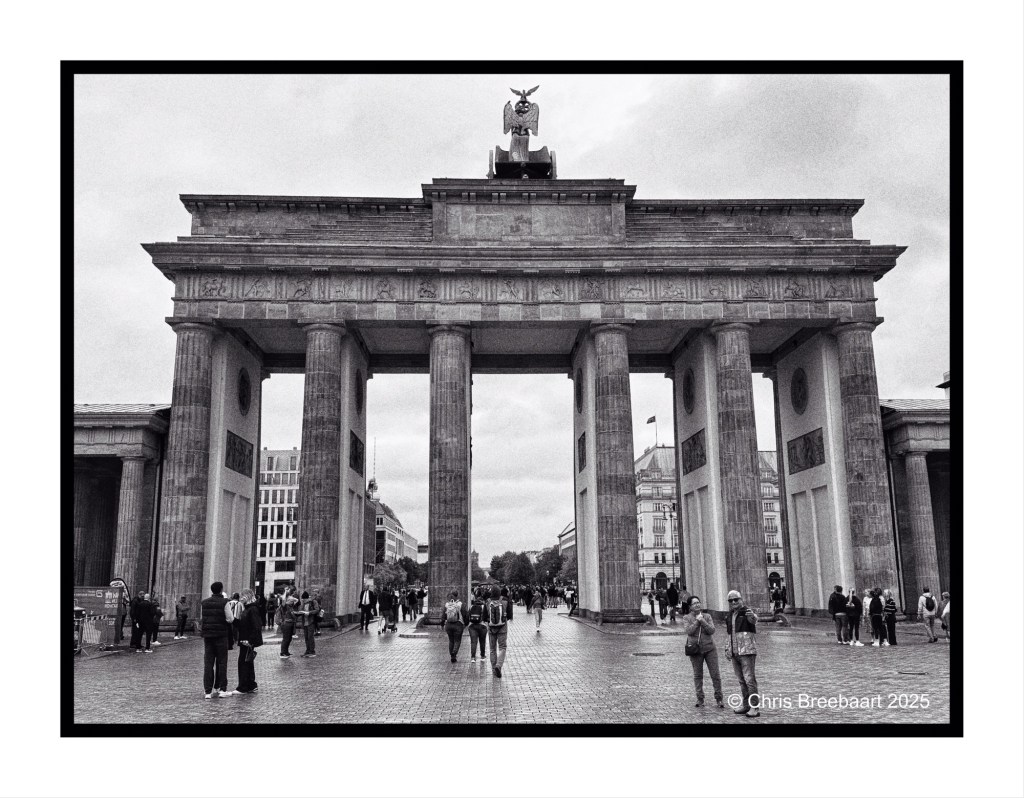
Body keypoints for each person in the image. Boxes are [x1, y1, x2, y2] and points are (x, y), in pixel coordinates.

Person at [680, 596, 724, 708]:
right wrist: (697, 621)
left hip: (710, 649)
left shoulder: (707, 616)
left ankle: (719, 698)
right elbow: (689, 631)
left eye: (698, 602)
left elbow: (712, 630)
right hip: (695, 650)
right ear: (690, 606)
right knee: (698, 675)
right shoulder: (686, 617)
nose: (697, 605)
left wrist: (702, 620)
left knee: (715, 674)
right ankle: (700, 699)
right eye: (694, 603)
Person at [724, 589, 760, 718]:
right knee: (741, 681)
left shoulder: (747, 612)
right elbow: (729, 634)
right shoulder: (729, 615)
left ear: (741, 599)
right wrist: (727, 649)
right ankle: (746, 705)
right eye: (731, 600)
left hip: (747, 651)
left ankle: (755, 707)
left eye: (736, 599)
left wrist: (753, 617)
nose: (733, 602)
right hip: (735, 652)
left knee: (749, 680)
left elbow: (754, 620)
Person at [200, 581, 234, 699]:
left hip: (208, 636)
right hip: (221, 635)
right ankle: (221, 689)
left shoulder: (204, 603)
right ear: (221, 590)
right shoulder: (225, 602)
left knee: (208, 663)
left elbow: (203, 618)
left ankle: (207, 691)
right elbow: (230, 619)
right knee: (222, 662)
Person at [225, 589, 263, 695]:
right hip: (245, 638)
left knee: (243, 662)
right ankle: (251, 685)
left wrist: (250, 640)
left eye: (243, 596)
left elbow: (256, 626)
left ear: (247, 596)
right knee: (248, 662)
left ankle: (243, 687)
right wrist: (234, 620)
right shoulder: (248, 608)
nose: (241, 598)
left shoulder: (252, 609)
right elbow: (244, 624)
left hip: (247, 640)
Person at [486, 585, 513, 678]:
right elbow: (510, 615)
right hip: (502, 628)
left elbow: (484, 616)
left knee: (492, 649)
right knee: (502, 647)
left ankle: (494, 669)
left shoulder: (488, 601)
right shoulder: (505, 600)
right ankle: (499, 665)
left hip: (491, 629)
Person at [442, 590, 469, 662]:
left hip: (448, 625)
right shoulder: (460, 604)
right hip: (458, 624)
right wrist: (466, 624)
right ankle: (454, 652)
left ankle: (452, 656)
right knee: (457, 640)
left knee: (451, 641)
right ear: (457, 596)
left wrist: (442, 623)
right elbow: (465, 614)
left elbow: (443, 615)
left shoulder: (447, 604)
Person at [467, 590, 488, 662]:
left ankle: (473, 657)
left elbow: (468, 616)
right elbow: (486, 617)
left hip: (472, 626)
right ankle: (482, 656)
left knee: (473, 642)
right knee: (482, 641)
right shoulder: (483, 606)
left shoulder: (472, 606)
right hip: (482, 626)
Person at [297, 591, 319, 657]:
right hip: (305, 623)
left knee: (310, 637)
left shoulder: (313, 602)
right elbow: (301, 610)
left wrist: (309, 612)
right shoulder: (303, 604)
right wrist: (300, 612)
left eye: (304, 599)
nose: (303, 601)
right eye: (302, 600)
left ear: (307, 598)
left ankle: (312, 651)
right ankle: (308, 650)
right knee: (306, 637)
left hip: (311, 622)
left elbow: (317, 610)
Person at [278, 588, 299, 658]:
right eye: (290, 600)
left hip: (290, 624)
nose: (292, 601)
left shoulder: (291, 607)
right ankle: (282, 653)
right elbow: (283, 600)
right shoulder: (284, 607)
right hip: (286, 624)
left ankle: (286, 652)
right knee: (286, 638)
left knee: (289, 638)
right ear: (287, 601)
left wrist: (291, 598)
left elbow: (297, 600)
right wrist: (285, 593)